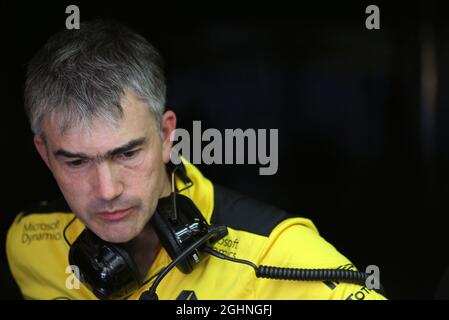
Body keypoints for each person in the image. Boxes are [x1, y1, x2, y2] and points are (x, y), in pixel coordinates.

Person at [6, 19, 386, 300]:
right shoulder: (29, 242)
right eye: (76, 162)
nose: (107, 190)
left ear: (167, 136)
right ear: (44, 153)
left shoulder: (277, 252)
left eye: (128, 152)